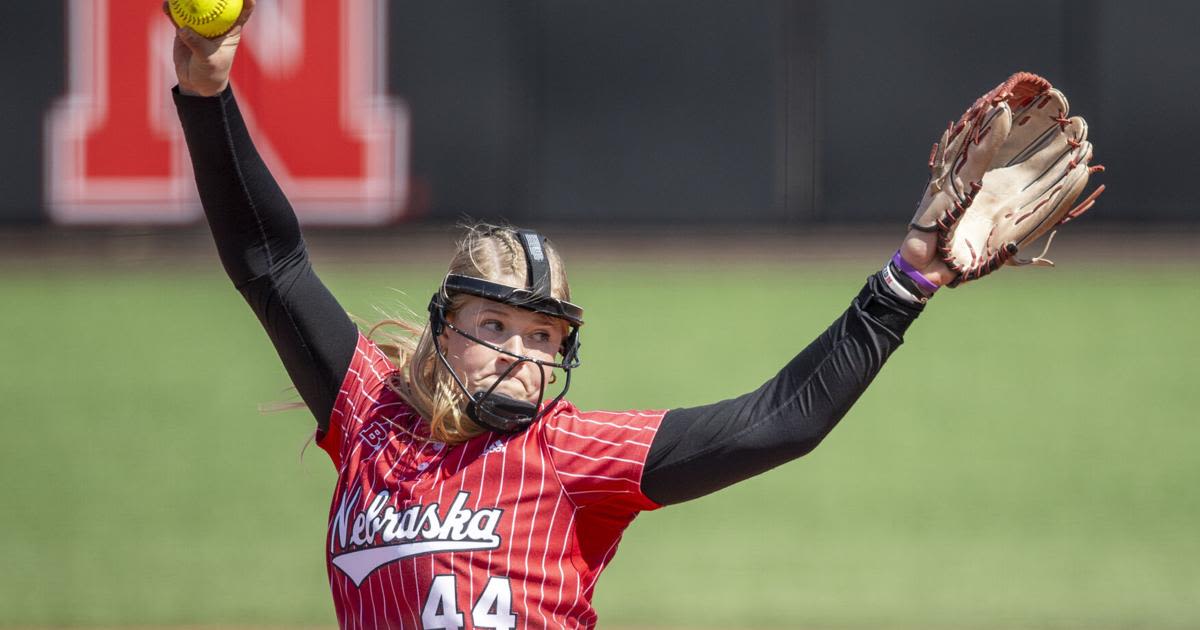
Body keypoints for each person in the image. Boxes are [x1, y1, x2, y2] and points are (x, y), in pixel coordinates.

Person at [169, 3, 956, 627]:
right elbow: (270, 263)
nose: (523, 353)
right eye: (498, 326)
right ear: (446, 330)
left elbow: (778, 422)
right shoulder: (369, 415)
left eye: (545, 336)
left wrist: (905, 282)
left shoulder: (571, 456)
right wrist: (207, 95)